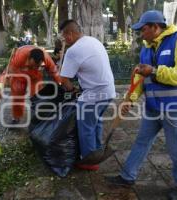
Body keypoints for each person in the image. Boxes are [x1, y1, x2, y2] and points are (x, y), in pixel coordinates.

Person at [105, 10, 177, 200]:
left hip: (175, 107)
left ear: (156, 27)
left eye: (144, 29)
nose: (141, 34)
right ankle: (127, 176)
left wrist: (154, 71)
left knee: (175, 148)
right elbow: (140, 77)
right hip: (154, 107)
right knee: (141, 141)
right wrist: (130, 99)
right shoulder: (146, 48)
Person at [59, 20, 116, 171]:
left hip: (94, 94)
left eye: (64, 37)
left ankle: (89, 161)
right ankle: (96, 150)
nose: (64, 40)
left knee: (86, 128)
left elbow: (63, 79)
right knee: (96, 123)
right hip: (108, 91)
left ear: (70, 34)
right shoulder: (93, 40)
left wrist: (72, 90)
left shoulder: (73, 50)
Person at [0, 45, 61, 124]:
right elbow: (6, 73)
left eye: (37, 66)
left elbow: (54, 72)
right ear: (28, 58)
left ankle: (39, 116)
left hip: (35, 76)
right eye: (32, 65)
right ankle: (16, 117)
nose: (34, 67)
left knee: (38, 96)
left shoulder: (46, 58)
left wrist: (60, 83)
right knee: (17, 95)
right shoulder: (19, 57)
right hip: (19, 75)